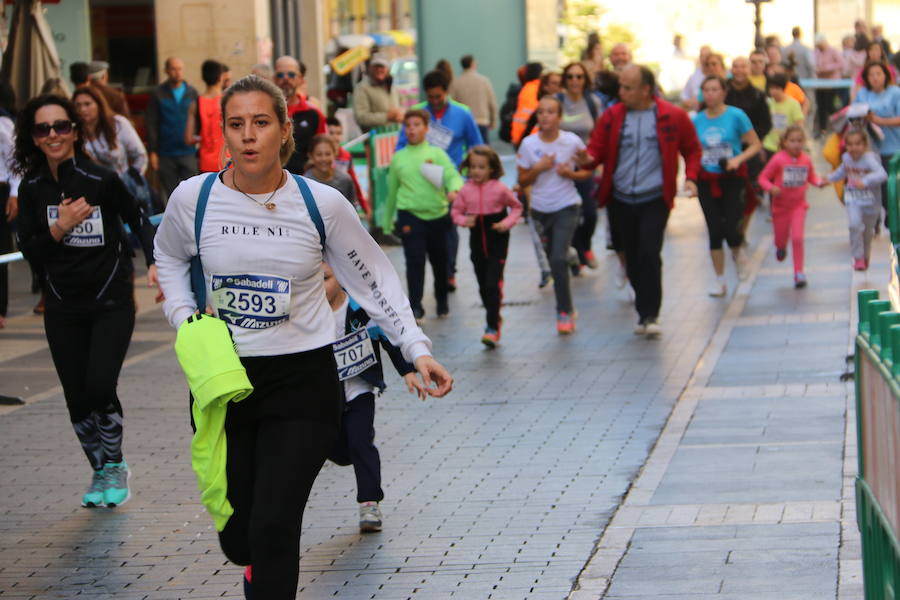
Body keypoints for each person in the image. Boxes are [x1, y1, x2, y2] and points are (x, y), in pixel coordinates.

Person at [153, 75, 453, 599]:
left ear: (283, 130)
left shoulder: (321, 204)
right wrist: (184, 316)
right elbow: (169, 255)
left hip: (304, 380)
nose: (248, 136)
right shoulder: (193, 199)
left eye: (261, 123)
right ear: (224, 132)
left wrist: (415, 348)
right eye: (237, 124)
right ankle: (251, 560)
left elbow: (374, 278)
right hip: (226, 380)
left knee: (274, 523)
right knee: (241, 537)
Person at [13, 94, 158, 509]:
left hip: (110, 299)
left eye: (61, 126)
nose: (54, 135)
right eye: (44, 129)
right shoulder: (32, 188)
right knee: (76, 397)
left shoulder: (99, 179)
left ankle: (114, 464)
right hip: (61, 305)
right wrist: (60, 227)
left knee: (98, 385)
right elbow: (32, 253)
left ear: (75, 131)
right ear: (34, 138)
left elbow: (138, 218)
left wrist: (153, 263)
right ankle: (100, 470)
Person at [579, 64, 701, 337]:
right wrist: (584, 159)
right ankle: (642, 311)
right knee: (631, 257)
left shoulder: (673, 115)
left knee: (649, 251)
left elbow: (692, 149)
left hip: (655, 197)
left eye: (627, 87)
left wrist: (691, 177)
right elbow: (595, 150)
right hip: (620, 197)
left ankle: (650, 313)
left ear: (646, 90)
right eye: (621, 86)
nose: (621, 92)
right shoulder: (612, 116)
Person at [322, 262, 423, 533]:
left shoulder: (361, 309)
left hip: (359, 390)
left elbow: (388, 340)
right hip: (322, 397)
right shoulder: (307, 315)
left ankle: (369, 502)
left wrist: (408, 372)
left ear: (341, 278)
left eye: (326, 278)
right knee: (337, 451)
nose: (321, 286)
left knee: (360, 442)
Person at [397, 70, 483, 292]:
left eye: (439, 97)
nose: (434, 101)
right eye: (431, 97)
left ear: (446, 92)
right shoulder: (418, 115)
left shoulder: (462, 114)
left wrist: (468, 176)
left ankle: (449, 271)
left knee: (449, 226)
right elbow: (400, 145)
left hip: (450, 178)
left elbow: (476, 144)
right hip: (421, 182)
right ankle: (441, 270)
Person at [517, 96, 591, 335]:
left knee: (557, 260)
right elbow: (522, 180)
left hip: (567, 205)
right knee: (554, 259)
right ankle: (569, 254)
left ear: (559, 117)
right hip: (540, 210)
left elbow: (589, 170)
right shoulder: (528, 145)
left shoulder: (571, 142)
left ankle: (564, 311)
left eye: (550, 112)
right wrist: (538, 168)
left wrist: (571, 173)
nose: (545, 116)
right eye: (541, 112)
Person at [384, 109, 463, 320]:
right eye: (408, 125)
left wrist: (454, 188)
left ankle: (442, 301)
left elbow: (452, 175)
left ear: (426, 129)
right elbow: (391, 191)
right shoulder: (398, 158)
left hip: (438, 217)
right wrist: (387, 222)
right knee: (414, 262)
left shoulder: (436, 154)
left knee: (440, 261)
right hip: (410, 216)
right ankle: (416, 306)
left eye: (417, 124)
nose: (412, 129)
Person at [693, 75, 762, 297]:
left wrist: (737, 159)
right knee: (714, 228)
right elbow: (692, 151)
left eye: (715, 89)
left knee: (732, 224)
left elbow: (754, 144)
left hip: (732, 177)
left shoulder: (736, 115)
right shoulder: (697, 120)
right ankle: (720, 280)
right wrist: (691, 179)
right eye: (706, 90)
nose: (710, 94)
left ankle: (738, 252)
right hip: (707, 179)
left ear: (724, 92)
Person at [451, 145, 522, 346]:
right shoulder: (466, 190)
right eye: (473, 167)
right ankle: (494, 314)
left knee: (492, 284)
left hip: (497, 238)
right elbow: (455, 212)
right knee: (483, 285)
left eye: (481, 167)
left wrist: (506, 224)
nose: (476, 171)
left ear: (492, 168)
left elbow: (517, 207)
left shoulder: (500, 188)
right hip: (476, 240)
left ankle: (492, 327)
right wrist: (465, 221)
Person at [757, 125, 823, 288]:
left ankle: (798, 273)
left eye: (799, 141)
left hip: (799, 206)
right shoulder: (778, 159)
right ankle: (780, 247)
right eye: (792, 141)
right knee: (781, 239)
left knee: (798, 238)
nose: (796, 144)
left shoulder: (806, 159)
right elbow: (763, 178)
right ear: (785, 142)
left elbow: (812, 177)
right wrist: (771, 188)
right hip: (780, 208)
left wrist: (820, 182)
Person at [73, 86, 151, 215]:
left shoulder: (118, 124)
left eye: (87, 104)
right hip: (91, 197)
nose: (82, 109)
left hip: (123, 191)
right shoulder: (72, 132)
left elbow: (141, 156)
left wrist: (132, 179)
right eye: (78, 105)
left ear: (98, 104)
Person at [557, 62, 602, 272]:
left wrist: (598, 162)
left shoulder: (592, 102)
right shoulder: (558, 102)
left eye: (579, 77)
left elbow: (599, 133)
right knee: (570, 212)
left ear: (585, 80)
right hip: (561, 167)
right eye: (571, 77)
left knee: (591, 213)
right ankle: (579, 254)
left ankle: (585, 246)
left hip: (585, 164)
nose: (575, 81)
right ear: (565, 80)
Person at [825, 129, 887, 270]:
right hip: (853, 198)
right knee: (854, 225)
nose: (854, 148)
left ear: (864, 145)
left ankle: (865, 255)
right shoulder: (847, 158)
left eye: (858, 144)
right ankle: (857, 257)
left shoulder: (869, 159)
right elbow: (841, 171)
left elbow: (882, 174)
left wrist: (865, 181)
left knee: (867, 232)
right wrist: (827, 180)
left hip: (871, 201)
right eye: (850, 144)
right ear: (846, 146)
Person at [727, 57, 772, 237]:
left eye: (743, 66)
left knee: (748, 195)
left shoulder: (758, 95)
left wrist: (753, 139)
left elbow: (766, 124)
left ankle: (741, 232)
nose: (739, 70)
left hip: (748, 149)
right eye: (736, 66)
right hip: (725, 149)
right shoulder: (723, 92)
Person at [145, 57, 199, 203]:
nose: (177, 73)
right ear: (166, 71)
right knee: (171, 195)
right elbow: (151, 123)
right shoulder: (158, 94)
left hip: (188, 151)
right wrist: (153, 151)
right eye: (174, 69)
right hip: (165, 153)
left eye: (180, 69)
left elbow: (199, 121)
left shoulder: (192, 92)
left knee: (192, 194)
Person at [855, 61, 900, 225]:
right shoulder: (863, 94)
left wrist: (879, 120)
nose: (875, 78)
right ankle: (874, 219)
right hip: (869, 148)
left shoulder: (895, 92)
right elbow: (853, 113)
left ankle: (891, 214)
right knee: (872, 185)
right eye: (871, 75)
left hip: (893, 147)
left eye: (878, 74)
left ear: (885, 75)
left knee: (890, 185)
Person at [274, 54, 327, 174]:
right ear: (274, 79)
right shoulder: (266, 111)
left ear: (301, 79)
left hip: (304, 182)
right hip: (270, 183)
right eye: (281, 75)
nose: (286, 78)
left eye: (291, 74)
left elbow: (324, 146)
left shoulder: (314, 113)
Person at [184, 59, 229, 173]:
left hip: (205, 164)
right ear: (221, 77)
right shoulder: (228, 101)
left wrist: (202, 137)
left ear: (203, 78)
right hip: (227, 161)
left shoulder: (195, 104)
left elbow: (188, 139)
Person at [326, 117, 369, 220]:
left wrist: (365, 208)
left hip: (342, 206)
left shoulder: (346, 156)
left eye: (338, 133)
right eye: (331, 133)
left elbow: (354, 182)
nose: (335, 137)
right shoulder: (319, 157)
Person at [449, 55, 497, 143]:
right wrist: (493, 121)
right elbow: (492, 103)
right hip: (481, 121)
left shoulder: (455, 82)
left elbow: (451, 103)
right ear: (473, 64)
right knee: (483, 152)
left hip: (463, 121)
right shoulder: (484, 81)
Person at [0, 81, 17, 330]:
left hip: (1, 190)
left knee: (1, 250)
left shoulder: (3, 123)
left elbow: (15, 161)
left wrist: (15, 193)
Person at [304, 134, 358, 211]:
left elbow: (352, 209)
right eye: (319, 155)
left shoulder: (345, 180)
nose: (324, 158)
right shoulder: (305, 182)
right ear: (311, 156)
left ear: (335, 154)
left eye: (328, 154)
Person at [352, 55, 404, 133]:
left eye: (382, 67)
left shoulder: (393, 87)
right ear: (370, 68)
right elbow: (361, 118)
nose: (379, 70)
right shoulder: (362, 88)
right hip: (374, 138)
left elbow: (401, 106)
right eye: (376, 67)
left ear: (388, 69)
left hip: (395, 135)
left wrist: (401, 114)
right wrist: (386, 116)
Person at [762, 74, 804, 157]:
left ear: (783, 88)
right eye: (771, 88)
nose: (773, 91)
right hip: (768, 146)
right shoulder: (767, 103)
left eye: (776, 88)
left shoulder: (793, 104)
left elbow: (799, 125)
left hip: (786, 147)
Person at [815, 34, 846, 134]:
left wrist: (828, 68)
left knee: (831, 105)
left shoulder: (833, 51)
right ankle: (822, 128)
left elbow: (841, 63)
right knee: (821, 106)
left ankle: (835, 125)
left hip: (832, 84)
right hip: (820, 83)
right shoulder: (817, 52)